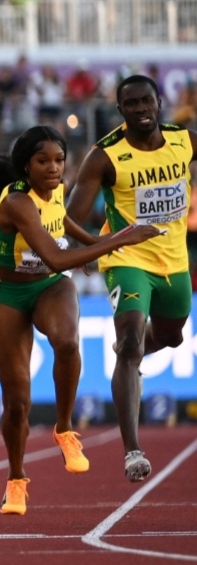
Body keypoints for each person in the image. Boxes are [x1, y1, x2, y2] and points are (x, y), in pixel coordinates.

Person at [0, 125, 161, 515]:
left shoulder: (55, 187)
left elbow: (61, 226)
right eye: (43, 161)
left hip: (50, 286)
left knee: (67, 342)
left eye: (59, 160)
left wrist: (92, 245)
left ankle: (64, 428)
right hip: (8, 294)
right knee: (17, 403)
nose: (54, 168)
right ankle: (16, 478)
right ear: (26, 166)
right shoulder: (17, 203)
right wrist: (118, 239)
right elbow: (57, 255)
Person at [66, 75, 197, 483]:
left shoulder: (185, 141)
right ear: (120, 111)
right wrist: (96, 247)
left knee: (173, 337)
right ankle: (132, 451)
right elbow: (71, 218)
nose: (142, 110)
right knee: (129, 343)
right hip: (126, 258)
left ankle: (135, 351)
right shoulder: (104, 156)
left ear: (159, 102)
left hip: (174, 262)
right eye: (132, 105)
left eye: (147, 102)